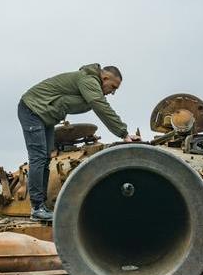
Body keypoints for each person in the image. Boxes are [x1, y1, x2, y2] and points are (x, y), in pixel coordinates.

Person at [18, 63, 140, 221]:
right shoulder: (89, 81)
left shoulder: (90, 83)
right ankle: (37, 208)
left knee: (46, 158)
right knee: (38, 158)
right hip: (32, 109)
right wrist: (123, 133)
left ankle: (41, 206)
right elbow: (100, 106)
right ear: (105, 78)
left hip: (44, 115)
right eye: (113, 86)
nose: (113, 92)